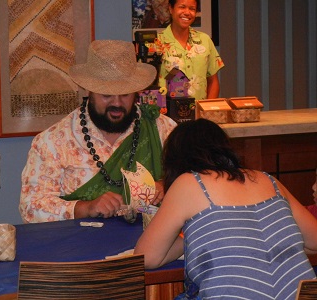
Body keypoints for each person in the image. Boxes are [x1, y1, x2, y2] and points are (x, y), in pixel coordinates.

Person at [134, 118, 317, 299]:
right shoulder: (268, 180)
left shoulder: (189, 182)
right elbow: (314, 241)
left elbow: (146, 258)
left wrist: (193, 238)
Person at [20, 40, 177, 223]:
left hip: (151, 247)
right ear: (90, 91)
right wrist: (86, 208)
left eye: (125, 94)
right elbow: (30, 208)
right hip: (80, 248)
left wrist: (168, 186)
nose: (117, 104)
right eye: (107, 95)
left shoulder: (162, 129)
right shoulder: (53, 141)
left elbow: (198, 180)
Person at [155, 0, 224, 100]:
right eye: (182, 7)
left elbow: (213, 81)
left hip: (200, 112)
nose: (187, 12)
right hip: (167, 112)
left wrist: (207, 111)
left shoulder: (205, 40)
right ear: (171, 8)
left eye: (192, 9)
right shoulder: (157, 42)